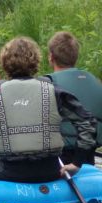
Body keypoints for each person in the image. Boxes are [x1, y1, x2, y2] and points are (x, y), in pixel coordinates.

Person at [0, 37, 96, 183]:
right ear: (35, 61)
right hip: (50, 171)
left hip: (7, 172)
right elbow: (87, 123)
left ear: (4, 63)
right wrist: (77, 163)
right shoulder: (55, 91)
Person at [46, 31, 102, 165]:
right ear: (76, 57)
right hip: (89, 151)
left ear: (51, 57)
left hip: (61, 157)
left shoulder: (47, 83)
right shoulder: (94, 80)